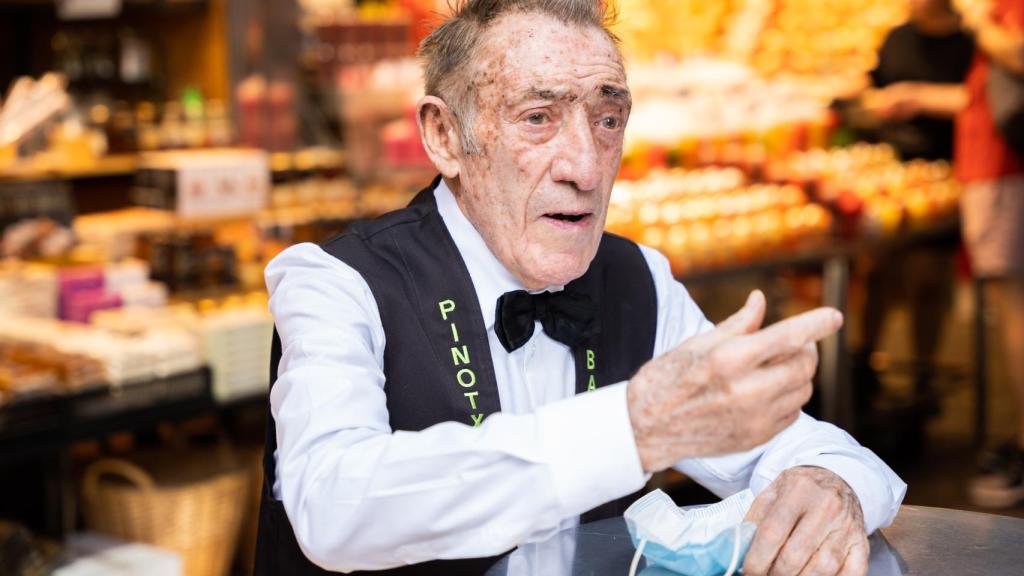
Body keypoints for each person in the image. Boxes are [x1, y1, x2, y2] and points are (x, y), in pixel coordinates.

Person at [254, 1, 906, 574]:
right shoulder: (337, 282)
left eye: (608, 120)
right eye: (538, 118)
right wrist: (631, 430)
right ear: (444, 136)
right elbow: (332, 507)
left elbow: (810, 448)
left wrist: (829, 484)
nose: (587, 168)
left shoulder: (637, 280)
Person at [851, 0, 974, 418]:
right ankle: (864, 362)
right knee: (878, 271)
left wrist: (918, 98)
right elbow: (871, 83)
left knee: (929, 277)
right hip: (894, 176)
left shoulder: (973, 40)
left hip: (950, 175)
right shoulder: (898, 36)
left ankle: (925, 371)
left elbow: (978, 100)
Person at [954, 0, 1024, 508]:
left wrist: (978, 20)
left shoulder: (997, 12)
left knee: (1017, 313)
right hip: (1000, 170)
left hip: (1004, 171)